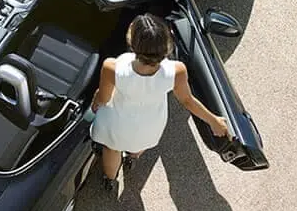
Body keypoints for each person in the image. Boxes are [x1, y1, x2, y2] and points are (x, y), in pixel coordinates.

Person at [90, 13, 229, 190]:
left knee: (111, 149)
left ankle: (110, 179)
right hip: (149, 124)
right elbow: (187, 101)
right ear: (167, 45)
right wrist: (214, 121)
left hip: (118, 123)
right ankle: (132, 158)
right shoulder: (176, 71)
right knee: (139, 144)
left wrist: (96, 99)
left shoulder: (112, 67)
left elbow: (104, 98)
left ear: (132, 42)